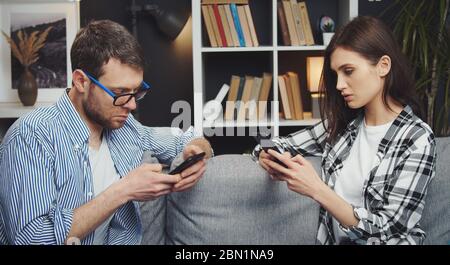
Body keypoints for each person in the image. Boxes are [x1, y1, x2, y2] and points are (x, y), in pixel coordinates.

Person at [0, 20, 212, 245]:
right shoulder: (32, 136)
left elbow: (188, 140)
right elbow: (31, 239)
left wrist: (198, 153)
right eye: (120, 92)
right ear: (81, 81)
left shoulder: (126, 129)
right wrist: (123, 191)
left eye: (136, 92)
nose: (132, 105)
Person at [254, 16, 436, 245]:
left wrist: (318, 190)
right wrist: (266, 155)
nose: (339, 84)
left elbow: (389, 230)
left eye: (348, 71)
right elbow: (279, 143)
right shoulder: (341, 126)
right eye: (336, 74)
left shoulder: (417, 138)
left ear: (383, 66)